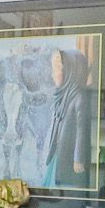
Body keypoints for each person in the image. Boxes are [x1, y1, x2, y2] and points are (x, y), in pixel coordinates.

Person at [43, 47, 93, 188]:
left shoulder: (79, 98)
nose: (53, 74)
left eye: (56, 69)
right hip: (57, 153)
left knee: (63, 185)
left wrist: (78, 158)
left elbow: (82, 130)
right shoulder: (62, 97)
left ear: (70, 71)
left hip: (68, 156)